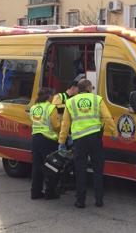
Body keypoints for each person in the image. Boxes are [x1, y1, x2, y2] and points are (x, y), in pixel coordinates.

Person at [58, 79, 118, 208]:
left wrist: (62, 141)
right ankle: (99, 200)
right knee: (98, 170)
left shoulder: (70, 102)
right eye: (92, 87)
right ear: (89, 88)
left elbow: (65, 124)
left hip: (79, 140)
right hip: (95, 138)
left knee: (80, 171)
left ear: (79, 89)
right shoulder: (97, 99)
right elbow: (107, 117)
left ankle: (80, 201)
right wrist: (113, 132)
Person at [30, 87, 61, 200]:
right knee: (51, 167)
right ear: (48, 96)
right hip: (48, 139)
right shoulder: (51, 107)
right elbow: (55, 126)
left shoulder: (33, 108)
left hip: (35, 138)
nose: (53, 98)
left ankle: (35, 192)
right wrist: (63, 126)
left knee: (37, 167)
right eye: (52, 95)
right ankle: (50, 192)